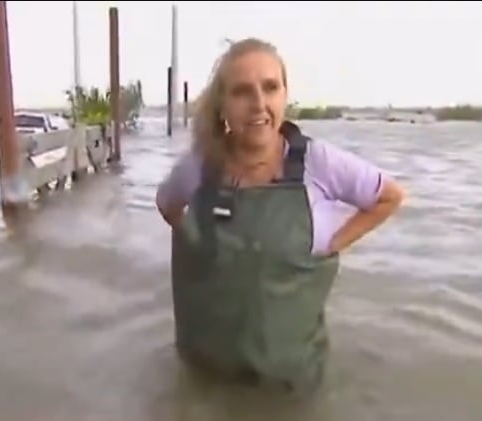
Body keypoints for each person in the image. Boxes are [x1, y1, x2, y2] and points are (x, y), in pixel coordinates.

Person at [156, 38, 405, 392]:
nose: (259, 104)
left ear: (285, 95)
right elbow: (167, 204)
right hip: (206, 373)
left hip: (289, 383)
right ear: (222, 105)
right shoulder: (200, 165)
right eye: (242, 91)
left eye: (270, 87)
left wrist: (332, 243)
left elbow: (390, 198)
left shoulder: (319, 163)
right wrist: (199, 245)